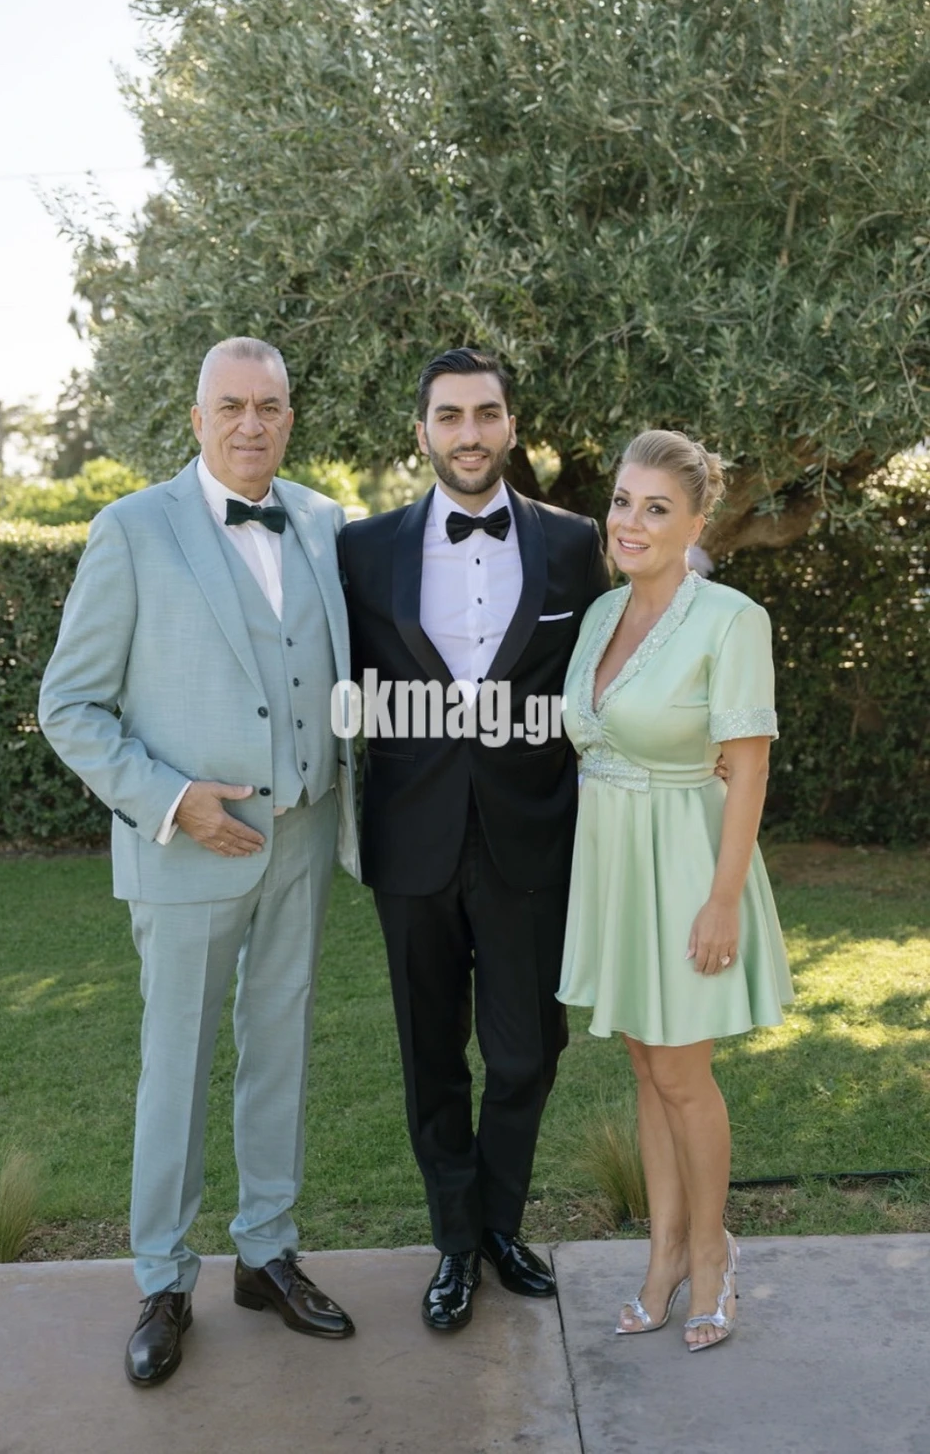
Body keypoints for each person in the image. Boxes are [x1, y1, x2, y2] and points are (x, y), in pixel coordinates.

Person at [38, 337, 360, 1387]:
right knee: (174, 1064)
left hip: (301, 836)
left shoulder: (324, 521)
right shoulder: (132, 528)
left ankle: (266, 1253)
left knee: (283, 1047)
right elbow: (69, 706)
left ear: (290, 418)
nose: (251, 424)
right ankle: (163, 1278)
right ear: (197, 419)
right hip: (185, 849)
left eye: (269, 406)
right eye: (231, 406)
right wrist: (173, 800)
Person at [339, 347, 608, 1331]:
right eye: (448, 416)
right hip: (410, 838)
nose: (468, 433)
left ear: (510, 425)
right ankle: (457, 1240)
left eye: (485, 413)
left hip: (529, 837)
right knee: (430, 1053)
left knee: (527, 1050)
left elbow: (608, 667)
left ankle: (500, 1221)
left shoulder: (573, 542)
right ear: (421, 431)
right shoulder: (361, 550)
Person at [557, 428, 793, 1351]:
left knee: (685, 1077)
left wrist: (723, 898)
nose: (632, 520)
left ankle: (711, 1252)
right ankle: (661, 1253)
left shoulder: (732, 618)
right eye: (623, 500)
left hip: (690, 867)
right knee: (647, 1070)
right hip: (616, 869)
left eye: (657, 508)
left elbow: (749, 766)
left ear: (697, 523)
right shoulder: (598, 615)